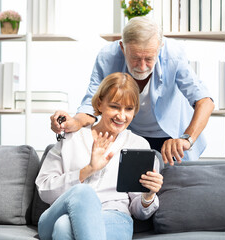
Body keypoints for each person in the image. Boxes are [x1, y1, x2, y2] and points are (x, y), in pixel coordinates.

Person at [50, 16, 214, 165]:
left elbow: (204, 102)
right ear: (122, 47)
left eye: (149, 59)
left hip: (171, 137)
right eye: (135, 58)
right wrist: (75, 122)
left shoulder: (174, 55)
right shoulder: (107, 57)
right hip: (129, 136)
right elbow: (91, 103)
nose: (142, 67)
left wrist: (186, 139)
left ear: (160, 47)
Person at [36, 72, 163, 240]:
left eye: (129, 109)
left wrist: (148, 195)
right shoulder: (72, 138)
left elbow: (139, 212)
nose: (121, 116)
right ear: (100, 104)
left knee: (63, 227)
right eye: (115, 106)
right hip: (58, 214)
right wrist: (88, 170)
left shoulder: (137, 145)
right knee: (83, 192)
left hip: (114, 218)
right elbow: (44, 189)